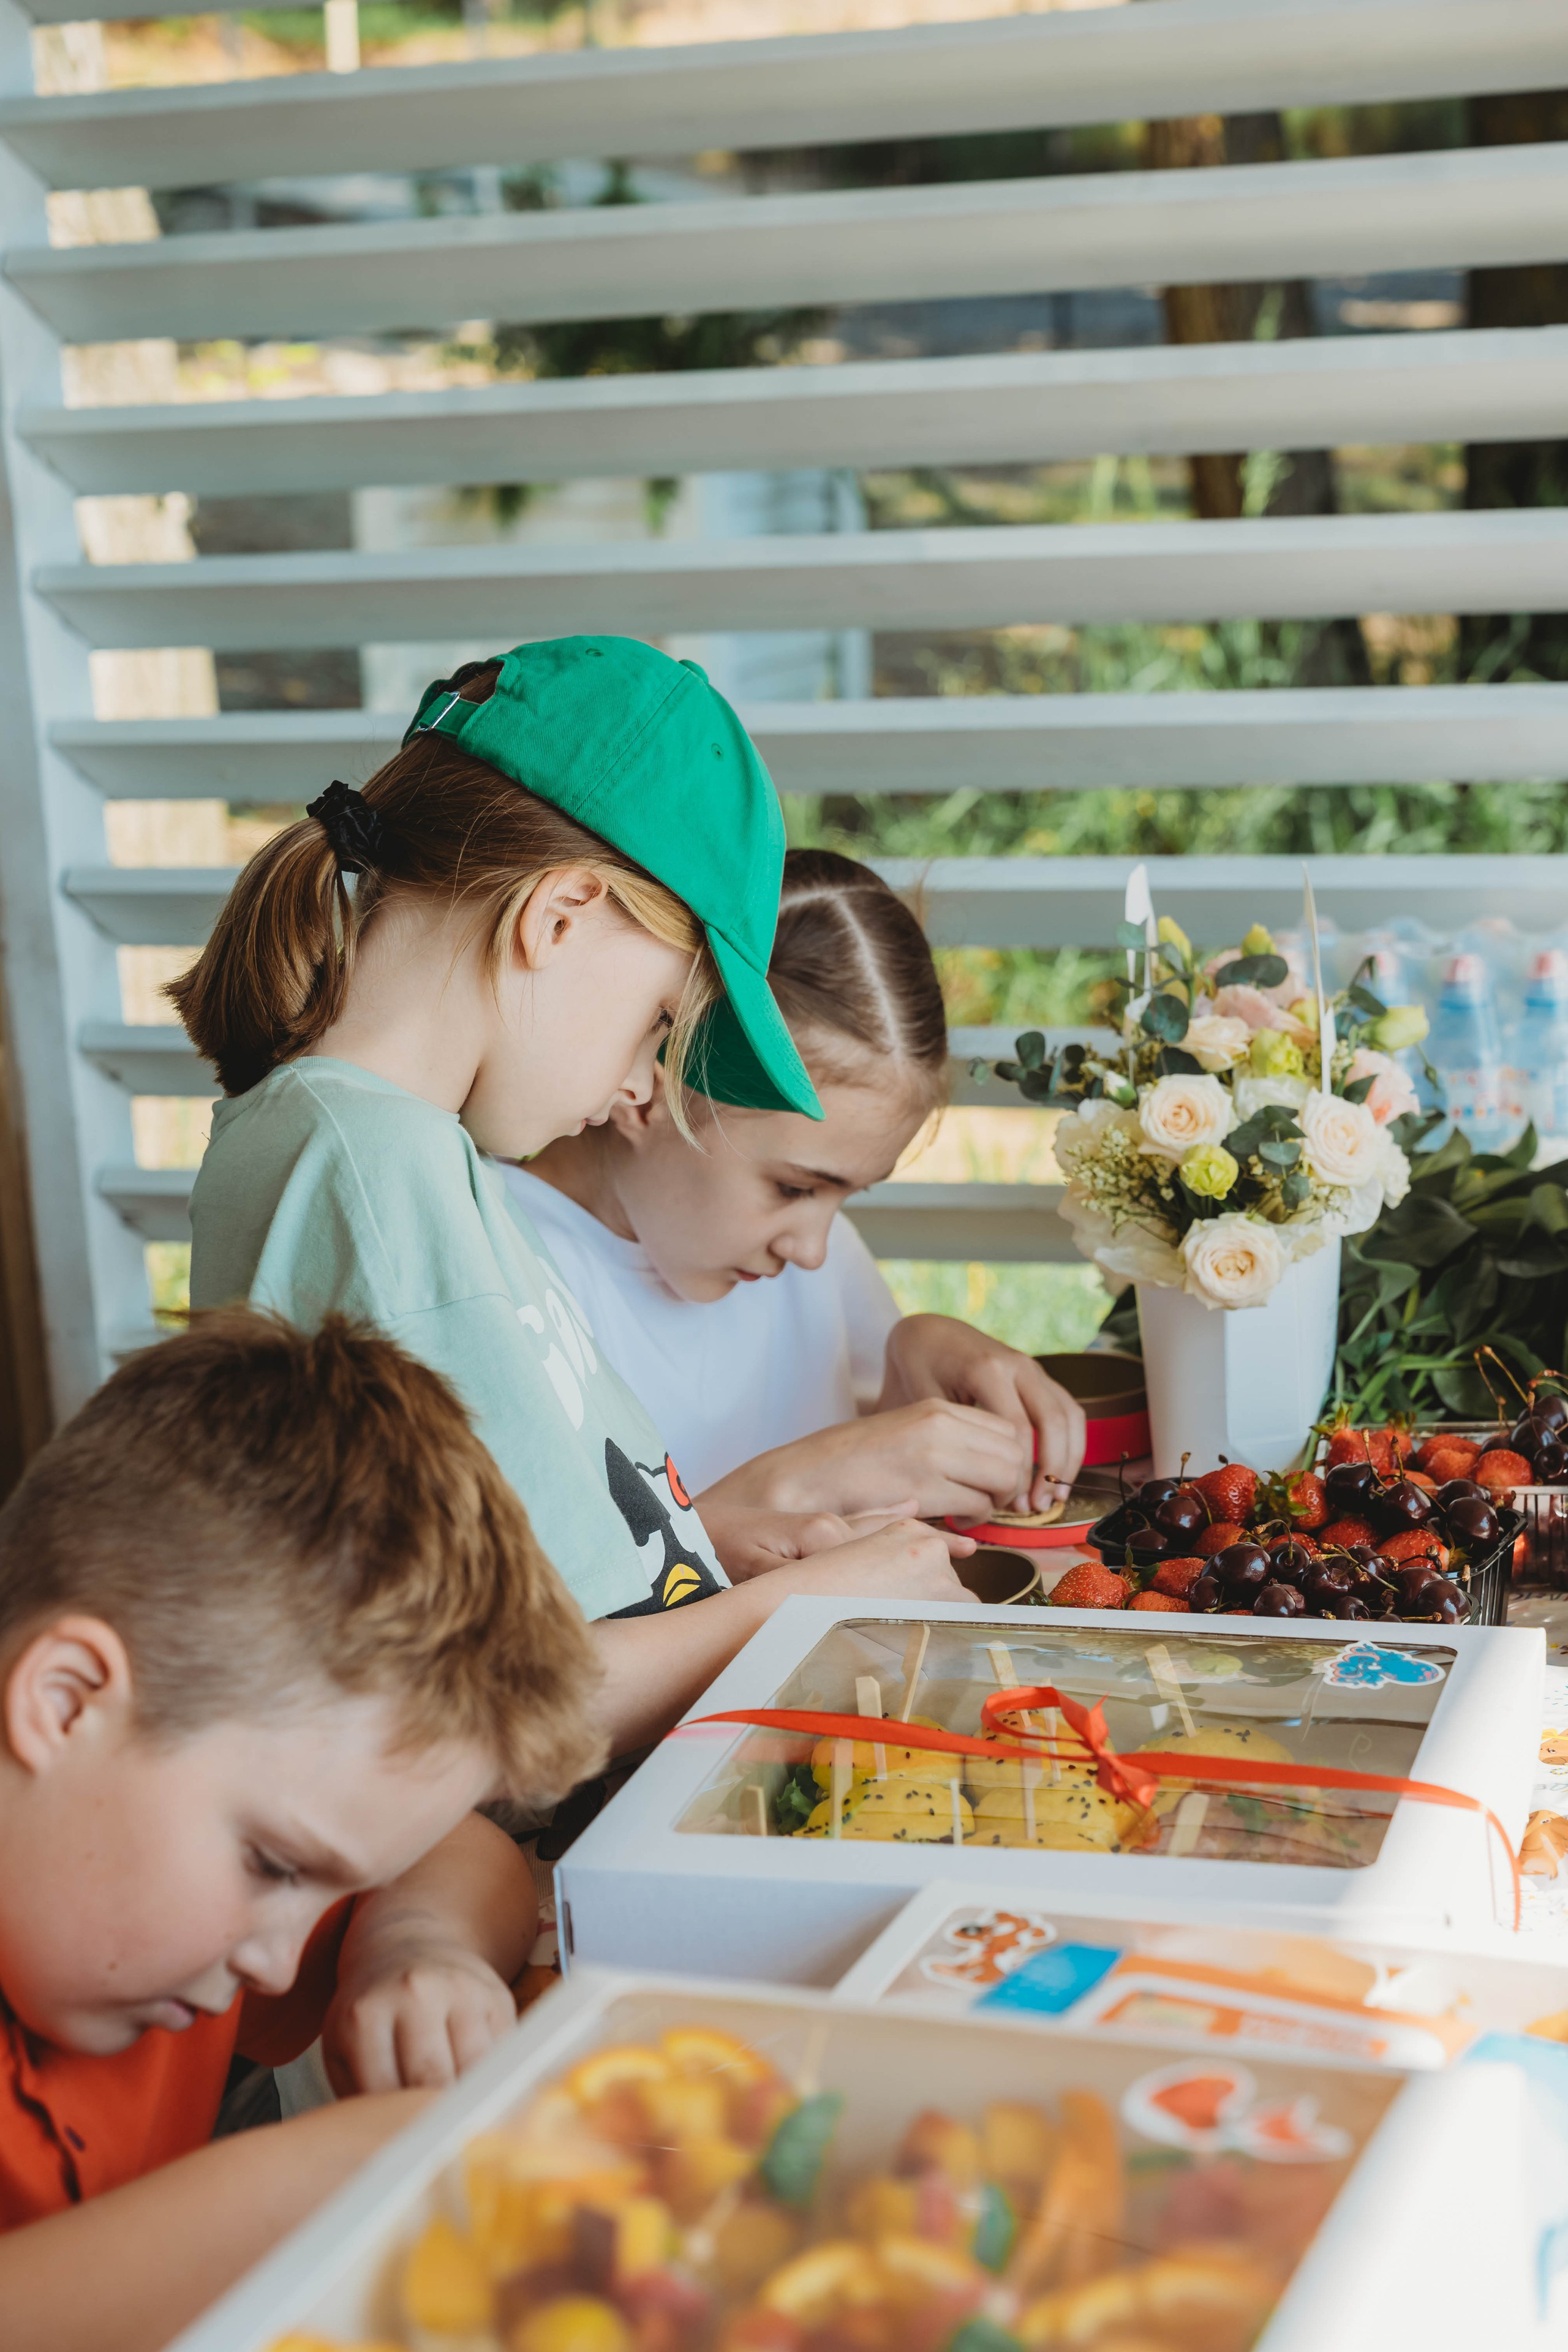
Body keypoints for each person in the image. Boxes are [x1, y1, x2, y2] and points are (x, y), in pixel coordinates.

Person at [176, 640, 965, 1754]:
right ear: (558, 917)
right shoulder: (358, 1171)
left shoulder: (411, 1163)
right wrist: (787, 1610)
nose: (647, 1083)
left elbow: (541, 1585)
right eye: (657, 1022)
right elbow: (444, 1713)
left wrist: (713, 1552)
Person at [0, 1308, 603, 2352]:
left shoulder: (154, 1903)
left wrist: (415, 1948)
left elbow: (467, 1855)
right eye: (275, 1865)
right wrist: (329, 2172)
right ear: (63, 1703)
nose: (280, 1969)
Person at [516, 850, 1088, 1523]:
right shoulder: (498, 1273)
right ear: (644, 1094)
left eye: (847, 1196)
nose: (813, 1251)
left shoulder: (807, 1253)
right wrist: (784, 1492)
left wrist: (908, 1365)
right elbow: (538, 1610)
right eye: (793, 1189)